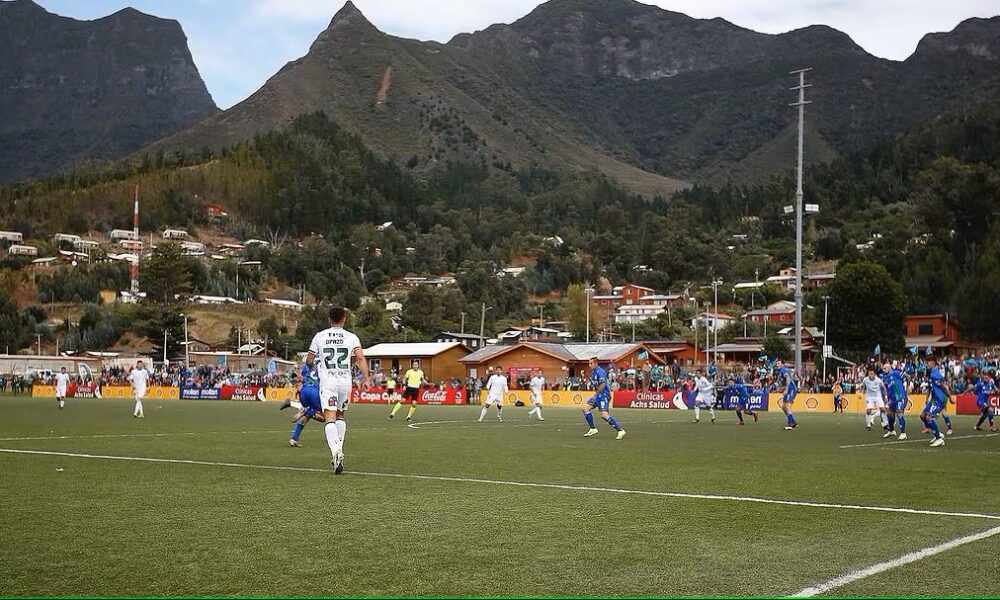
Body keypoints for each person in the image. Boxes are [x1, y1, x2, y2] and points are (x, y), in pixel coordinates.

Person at [307, 307, 370, 474]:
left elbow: (309, 359)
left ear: (329, 319)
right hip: (344, 382)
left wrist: (313, 366)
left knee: (329, 417)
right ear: (344, 319)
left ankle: (336, 452)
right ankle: (338, 450)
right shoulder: (352, 337)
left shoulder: (320, 336)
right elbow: (360, 358)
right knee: (340, 415)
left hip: (328, 382)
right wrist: (367, 378)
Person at [280, 361, 325, 447]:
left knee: (308, 416)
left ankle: (294, 439)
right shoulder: (324, 363)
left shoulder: (307, 364)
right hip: (315, 392)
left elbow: (301, 377)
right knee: (324, 417)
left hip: (304, 391)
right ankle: (294, 404)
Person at [582, 357, 626, 439]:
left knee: (604, 415)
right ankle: (593, 429)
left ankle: (620, 430)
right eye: (589, 363)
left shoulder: (600, 372)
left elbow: (602, 385)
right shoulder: (594, 372)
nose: (589, 365)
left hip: (603, 395)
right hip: (598, 395)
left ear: (596, 363)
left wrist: (596, 395)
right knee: (585, 408)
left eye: (591, 363)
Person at [920, 354, 953, 448]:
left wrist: (950, 397)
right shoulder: (930, 373)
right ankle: (937, 434)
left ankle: (939, 439)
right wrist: (927, 399)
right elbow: (930, 388)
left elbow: (944, 387)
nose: (926, 364)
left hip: (940, 398)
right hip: (934, 398)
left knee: (929, 417)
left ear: (933, 363)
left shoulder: (936, 374)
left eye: (927, 362)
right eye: (925, 362)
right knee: (923, 416)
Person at [882, 363, 910, 440]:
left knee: (899, 412)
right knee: (890, 413)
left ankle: (903, 433)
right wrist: (888, 398)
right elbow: (888, 389)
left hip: (900, 397)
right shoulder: (886, 378)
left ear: (889, 368)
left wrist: (907, 388)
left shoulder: (896, 373)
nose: (883, 370)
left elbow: (907, 376)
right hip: (893, 399)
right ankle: (891, 431)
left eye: (885, 368)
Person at [775, 360, 798, 430]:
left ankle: (790, 423)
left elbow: (787, 378)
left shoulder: (783, 370)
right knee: (783, 406)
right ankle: (792, 421)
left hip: (791, 389)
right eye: (777, 363)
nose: (777, 365)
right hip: (788, 389)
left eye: (779, 363)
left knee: (787, 405)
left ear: (782, 364)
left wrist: (787, 389)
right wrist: (780, 388)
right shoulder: (779, 372)